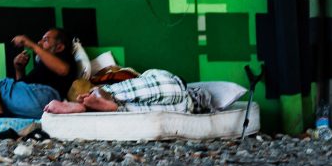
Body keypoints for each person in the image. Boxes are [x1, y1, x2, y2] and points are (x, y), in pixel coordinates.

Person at [0, 28, 75, 119]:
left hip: (47, 98)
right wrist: (19, 69)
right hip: (36, 103)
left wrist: (31, 44)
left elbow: (63, 70)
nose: (39, 42)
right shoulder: (44, 65)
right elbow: (24, 86)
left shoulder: (63, 58)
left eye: (46, 40)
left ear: (59, 48)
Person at [43, 69, 211, 115]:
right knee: (178, 104)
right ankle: (105, 100)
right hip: (187, 102)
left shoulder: (165, 78)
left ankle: (102, 97)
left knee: (171, 89)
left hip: (179, 88)